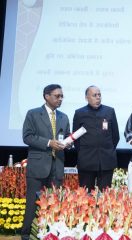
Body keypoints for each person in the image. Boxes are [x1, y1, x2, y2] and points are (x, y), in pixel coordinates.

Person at [21, 84, 70, 240]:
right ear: (46, 96)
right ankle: (26, 235)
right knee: (32, 204)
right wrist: (49, 143)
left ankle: (51, 235)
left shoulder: (64, 116)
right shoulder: (33, 114)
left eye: (62, 96)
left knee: (55, 204)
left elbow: (66, 137)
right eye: (57, 96)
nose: (60, 99)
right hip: (38, 166)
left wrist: (69, 143)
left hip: (57, 166)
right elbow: (27, 137)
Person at [73, 86, 120, 191]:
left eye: (99, 95)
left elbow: (115, 136)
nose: (98, 97)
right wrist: (84, 152)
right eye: (94, 95)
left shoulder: (109, 111)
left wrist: (107, 149)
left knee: (104, 196)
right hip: (86, 161)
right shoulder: (79, 113)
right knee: (86, 196)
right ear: (87, 98)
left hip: (106, 161)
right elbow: (76, 138)